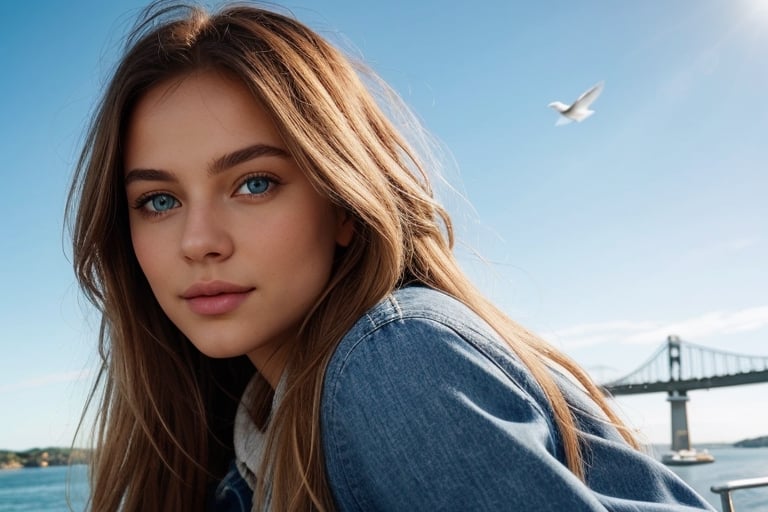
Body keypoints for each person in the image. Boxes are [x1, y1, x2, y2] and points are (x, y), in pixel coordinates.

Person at [66, 2, 715, 511]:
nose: (198, 241)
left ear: (343, 205)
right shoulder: (250, 426)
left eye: (255, 183)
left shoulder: (394, 363)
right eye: (157, 201)